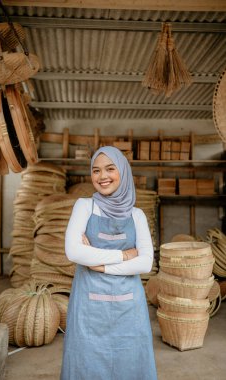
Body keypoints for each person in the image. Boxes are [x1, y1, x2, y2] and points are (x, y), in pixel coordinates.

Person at [61, 146, 157, 380]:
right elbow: (73, 251)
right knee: (86, 360)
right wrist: (124, 256)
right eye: (96, 170)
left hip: (128, 306)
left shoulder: (137, 215)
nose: (102, 176)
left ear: (123, 172)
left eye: (110, 169)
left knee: (130, 359)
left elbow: (145, 263)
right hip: (88, 305)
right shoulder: (84, 206)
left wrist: (98, 262)